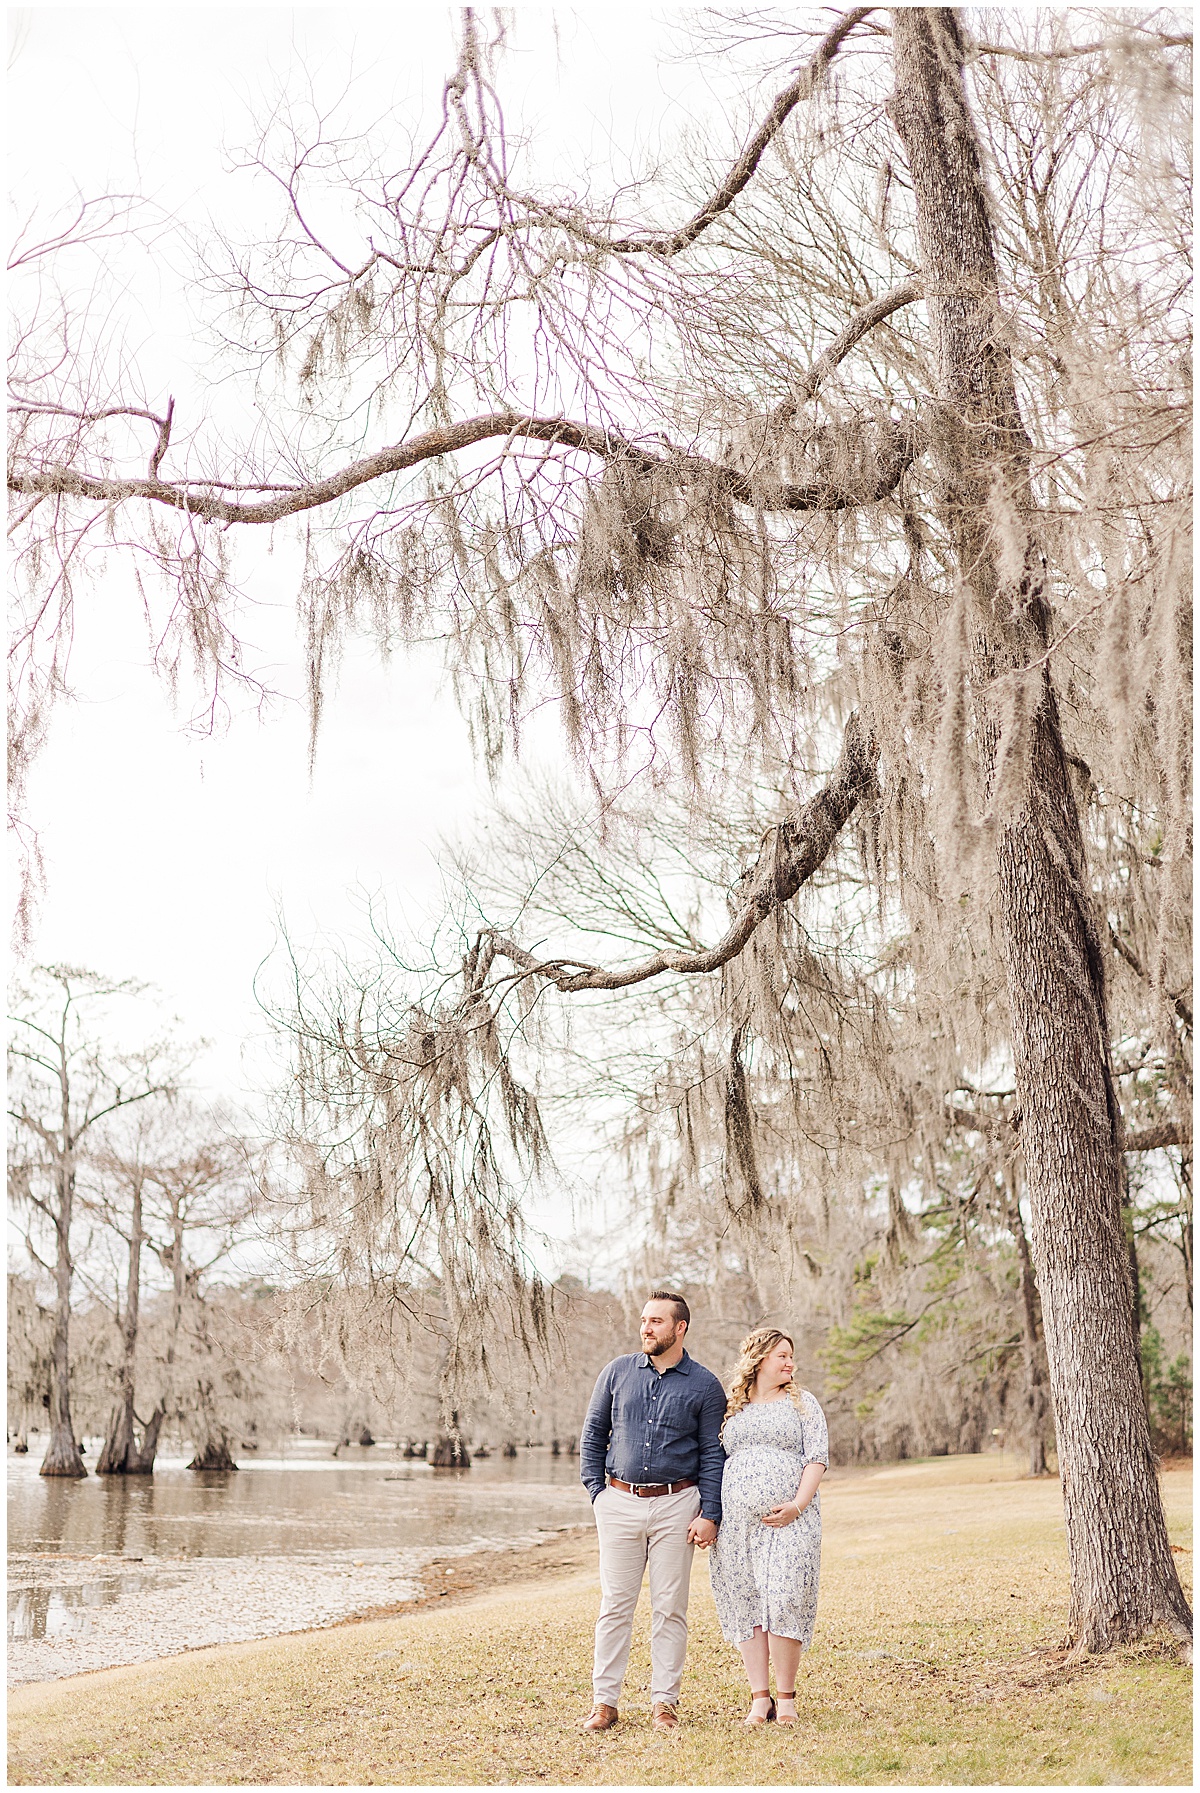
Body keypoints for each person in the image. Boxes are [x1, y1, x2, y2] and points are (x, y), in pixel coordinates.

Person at [578, 1290, 726, 1733]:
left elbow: (712, 1455)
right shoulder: (617, 1372)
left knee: (669, 1607)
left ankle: (665, 1702)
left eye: (657, 1321)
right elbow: (593, 1434)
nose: (646, 1328)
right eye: (644, 1320)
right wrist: (596, 1493)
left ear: (680, 1328)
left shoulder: (704, 1385)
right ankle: (604, 1703)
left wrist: (710, 1513)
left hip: (678, 1505)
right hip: (618, 1502)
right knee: (615, 1605)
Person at [708, 1327, 828, 1727]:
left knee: (784, 1597)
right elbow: (713, 1461)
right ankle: (760, 1698)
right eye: (782, 1355)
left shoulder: (803, 1403)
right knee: (746, 1603)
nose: (790, 1362)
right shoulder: (731, 1407)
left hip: (790, 1520)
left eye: (791, 1355)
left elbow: (817, 1458)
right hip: (737, 1525)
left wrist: (797, 1505)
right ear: (759, 1359)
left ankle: (787, 1697)